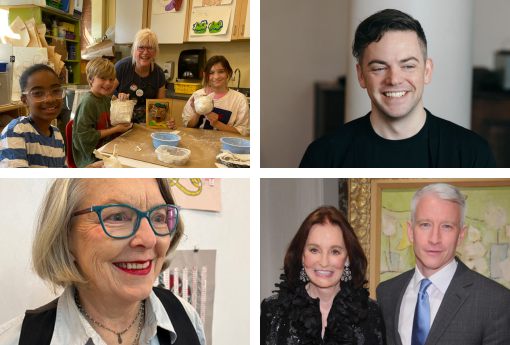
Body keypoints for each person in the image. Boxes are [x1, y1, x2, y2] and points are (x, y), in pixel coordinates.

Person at [0, 178, 206, 345]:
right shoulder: (16, 339)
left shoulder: (186, 317)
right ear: (65, 235)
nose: (149, 239)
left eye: (159, 218)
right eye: (117, 217)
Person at [300, 9, 497, 168]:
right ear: (361, 76)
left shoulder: (473, 154)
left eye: (408, 66)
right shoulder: (323, 155)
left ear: (427, 71)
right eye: (379, 67)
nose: (394, 79)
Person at [376, 183, 510, 345]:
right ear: (410, 231)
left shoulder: (495, 301)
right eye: (425, 224)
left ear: (461, 235)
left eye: (446, 226)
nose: (434, 239)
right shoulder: (387, 292)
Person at [261, 206, 385, 345]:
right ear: (302, 254)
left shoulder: (371, 313)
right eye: (314, 250)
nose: (324, 262)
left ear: (348, 258)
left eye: (335, 251)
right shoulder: (272, 311)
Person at [72, 58, 132, 168]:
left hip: (106, 151)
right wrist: (115, 129)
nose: (108, 83)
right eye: (103, 78)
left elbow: (125, 121)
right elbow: (85, 136)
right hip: (91, 159)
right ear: (91, 79)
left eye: (111, 79)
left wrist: (125, 104)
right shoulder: (88, 102)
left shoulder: (106, 99)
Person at [112, 29, 174, 128]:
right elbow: (106, 97)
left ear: (155, 51)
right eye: (141, 47)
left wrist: (167, 120)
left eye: (150, 48)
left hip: (146, 125)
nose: (145, 52)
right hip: (121, 124)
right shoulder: (122, 67)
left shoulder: (158, 73)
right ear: (134, 49)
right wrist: (119, 99)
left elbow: (160, 105)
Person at [177, 56, 249, 136]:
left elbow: (243, 131)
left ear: (228, 72)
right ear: (205, 75)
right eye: (211, 73)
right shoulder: (197, 96)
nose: (216, 76)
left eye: (221, 71)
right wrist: (196, 114)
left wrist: (217, 124)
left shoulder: (239, 99)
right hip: (198, 142)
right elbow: (187, 126)